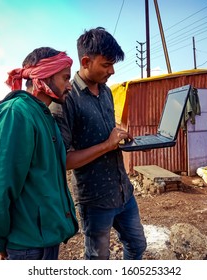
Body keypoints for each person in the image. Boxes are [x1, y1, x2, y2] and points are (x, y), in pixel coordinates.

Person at [52, 27, 147, 260]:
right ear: (86, 61)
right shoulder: (66, 99)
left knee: (137, 245)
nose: (112, 71)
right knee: (98, 261)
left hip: (123, 191)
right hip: (95, 200)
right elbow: (62, 160)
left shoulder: (105, 91)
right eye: (106, 65)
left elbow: (104, 131)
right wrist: (107, 144)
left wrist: (119, 134)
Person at [0, 47, 78, 260]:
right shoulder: (16, 113)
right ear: (42, 78)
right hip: (27, 247)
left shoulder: (43, 115)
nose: (69, 85)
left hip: (44, 240)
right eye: (65, 78)